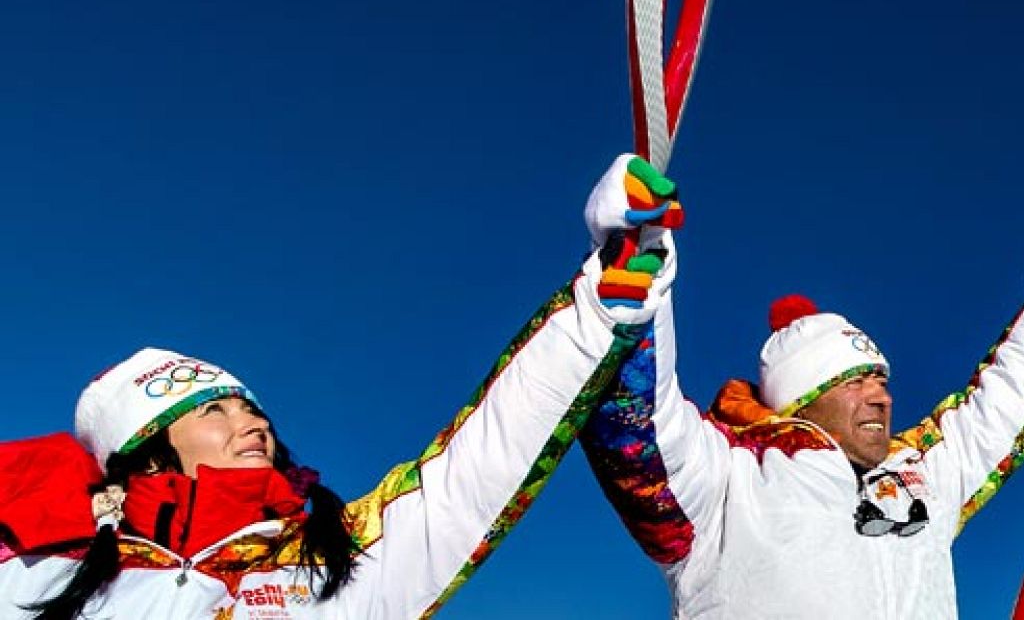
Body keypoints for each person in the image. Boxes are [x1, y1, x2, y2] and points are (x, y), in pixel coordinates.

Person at [0, 154, 680, 619]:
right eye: (213, 409)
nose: (252, 423)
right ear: (147, 450)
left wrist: (597, 305)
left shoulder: (334, 561)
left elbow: (471, 471)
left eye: (251, 407)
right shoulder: (36, 570)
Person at [579, 168, 1024, 618]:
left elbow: (1009, 396)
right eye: (855, 381)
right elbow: (639, 423)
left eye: (883, 381)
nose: (882, 398)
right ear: (800, 400)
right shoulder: (725, 482)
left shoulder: (923, 481)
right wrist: (636, 275)